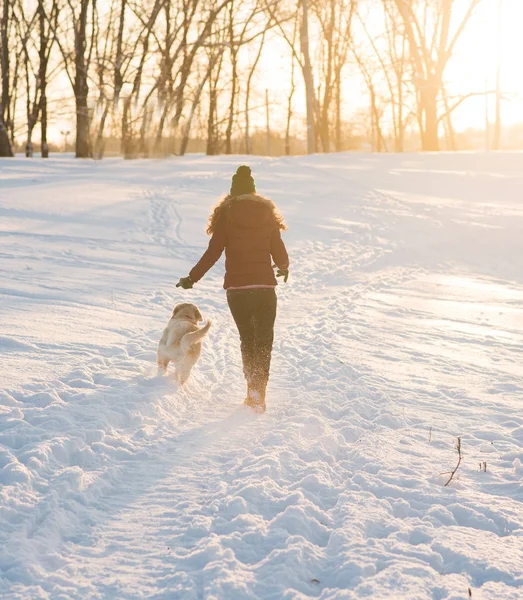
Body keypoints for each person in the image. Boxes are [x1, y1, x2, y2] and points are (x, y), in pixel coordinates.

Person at [176, 165, 289, 413]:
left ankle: (252, 389)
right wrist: (283, 266)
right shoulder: (267, 215)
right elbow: (278, 249)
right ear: (253, 192)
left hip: (238, 290)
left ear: (232, 193)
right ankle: (260, 391)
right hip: (264, 287)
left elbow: (212, 254)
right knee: (264, 341)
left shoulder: (226, 216)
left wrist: (191, 278)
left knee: (248, 339)